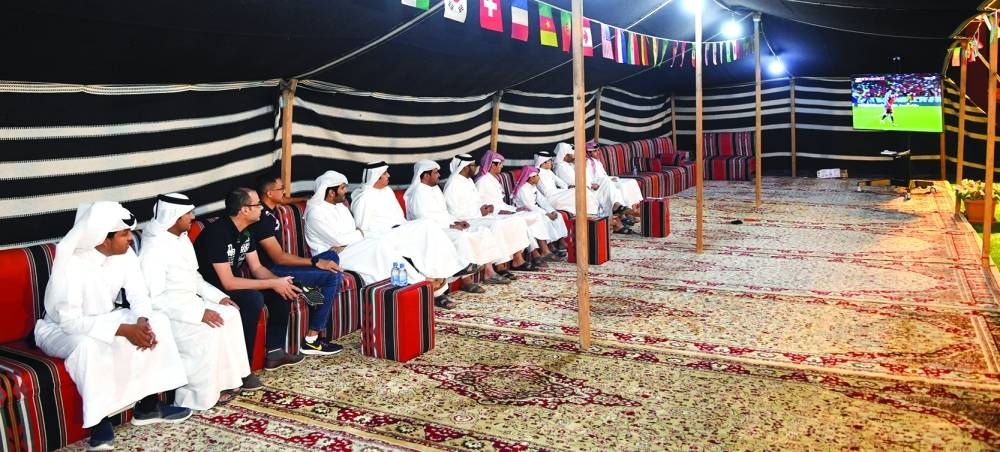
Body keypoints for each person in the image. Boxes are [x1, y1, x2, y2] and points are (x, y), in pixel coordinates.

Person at [34, 201, 191, 451]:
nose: (131, 238)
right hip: (60, 330)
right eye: (124, 234)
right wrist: (124, 331)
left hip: (105, 317)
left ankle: (148, 406)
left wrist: (141, 322)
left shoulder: (124, 255)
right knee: (89, 345)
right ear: (102, 239)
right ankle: (99, 421)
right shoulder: (72, 265)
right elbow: (70, 322)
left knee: (157, 321)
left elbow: (139, 295)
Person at [138, 193, 255, 411]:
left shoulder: (181, 239)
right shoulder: (153, 249)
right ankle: (195, 397)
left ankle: (227, 383)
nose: (193, 217)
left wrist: (219, 297)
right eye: (188, 213)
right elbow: (153, 299)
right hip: (171, 314)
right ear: (174, 217)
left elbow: (195, 278)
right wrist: (198, 314)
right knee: (208, 329)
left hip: (190, 302)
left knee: (230, 314)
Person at [303, 170, 466, 305]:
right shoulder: (315, 213)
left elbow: (350, 235)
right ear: (331, 192)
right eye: (342, 188)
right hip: (332, 256)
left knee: (395, 240)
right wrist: (357, 235)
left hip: (349, 247)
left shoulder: (340, 206)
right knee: (379, 246)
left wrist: (355, 236)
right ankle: (422, 282)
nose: (346, 191)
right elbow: (339, 239)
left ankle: (435, 274)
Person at [193, 188, 304, 373]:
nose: (262, 208)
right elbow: (227, 282)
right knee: (253, 299)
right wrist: (273, 283)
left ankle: (275, 352)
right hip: (210, 290)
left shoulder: (246, 230)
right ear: (244, 209)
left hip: (230, 285)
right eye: (258, 204)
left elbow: (257, 268)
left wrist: (281, 282)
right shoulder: (217, 233)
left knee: (280, 292)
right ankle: (243, 369)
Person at [348, 162, 477, 300]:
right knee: (427, 225)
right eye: (385, 173)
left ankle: (440, 289)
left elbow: (399, 217)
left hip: (400, 230)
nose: (388, 175)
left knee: (428, 238)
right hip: (382, 236)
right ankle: (455, 266)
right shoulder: (364, 198)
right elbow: (363, 228)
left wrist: (404, 227)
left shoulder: (387, 191)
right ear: (377, 176)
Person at [253, 173, 343, 356]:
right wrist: (315, 261)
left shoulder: (270, 206)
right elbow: (278, 258)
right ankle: (311, 339)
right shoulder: (261, 219)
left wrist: (302, 199)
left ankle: (306, 286)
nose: (285, 191)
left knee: (332, 256)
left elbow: (284, 199)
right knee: (333, 274)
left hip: (283, 265)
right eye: (281, 188)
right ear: (269, 193)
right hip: (273, 270)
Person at [442, 153, 533, 277]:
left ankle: (517, 258)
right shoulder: (453, 185)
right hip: (468, 220)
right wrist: (480, 212)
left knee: (513, 221)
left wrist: (486, 208)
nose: (477, 167)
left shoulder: (468, 181)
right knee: (497, 225)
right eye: (473, 165)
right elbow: (455, 212)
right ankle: (499, 266)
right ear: (465, 167)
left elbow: (477, 202)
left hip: (479, 215)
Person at [475, 151, 562, 261]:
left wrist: (516, 209)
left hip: (505, 209)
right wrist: (511, 211)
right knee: (521, 220)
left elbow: (500, 203)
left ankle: (544, 251)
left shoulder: (492, 179)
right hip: (495, 214)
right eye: (500, 164)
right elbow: (488, 207)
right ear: (493, 165)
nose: (502, 166)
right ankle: (535, 253)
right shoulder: (482, 182)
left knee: (534, 215)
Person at [553, 142, 638, 233]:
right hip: (580, 191)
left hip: (588, 187)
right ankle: (617, 218)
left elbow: (585, 177)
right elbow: (572, 183)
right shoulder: (561, 167)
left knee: (607, 183)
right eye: (572, 154)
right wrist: (589, 185)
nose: (575, 156)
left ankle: (617, 207)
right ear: (565, 156)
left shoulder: (570, 164)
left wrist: (583, 167)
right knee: (606, 189)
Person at [511, 166, 569, 262]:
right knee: (545, 219)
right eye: (537, 176)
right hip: (525, 211)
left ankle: (558, 244)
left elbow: (543, 201)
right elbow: (530, 206)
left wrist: (551, 211)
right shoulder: (523, 189)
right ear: (531, 178)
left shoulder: (533, 187)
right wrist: (546, 214)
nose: (539, 177)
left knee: (557, 215)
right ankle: (547, 250)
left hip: (536, 210)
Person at [533, 150, 599, 215]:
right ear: (543, 163)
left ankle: (592, 213)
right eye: (550, 161)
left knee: (582, 190)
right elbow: (546, 193)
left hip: (558, 194)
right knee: (578, 192)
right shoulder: (536, 174)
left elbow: (562, 183)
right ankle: (589, 214)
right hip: (551, 199)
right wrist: (565, 191)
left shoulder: (549, 172)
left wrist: (569, 188)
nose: (552, 162)